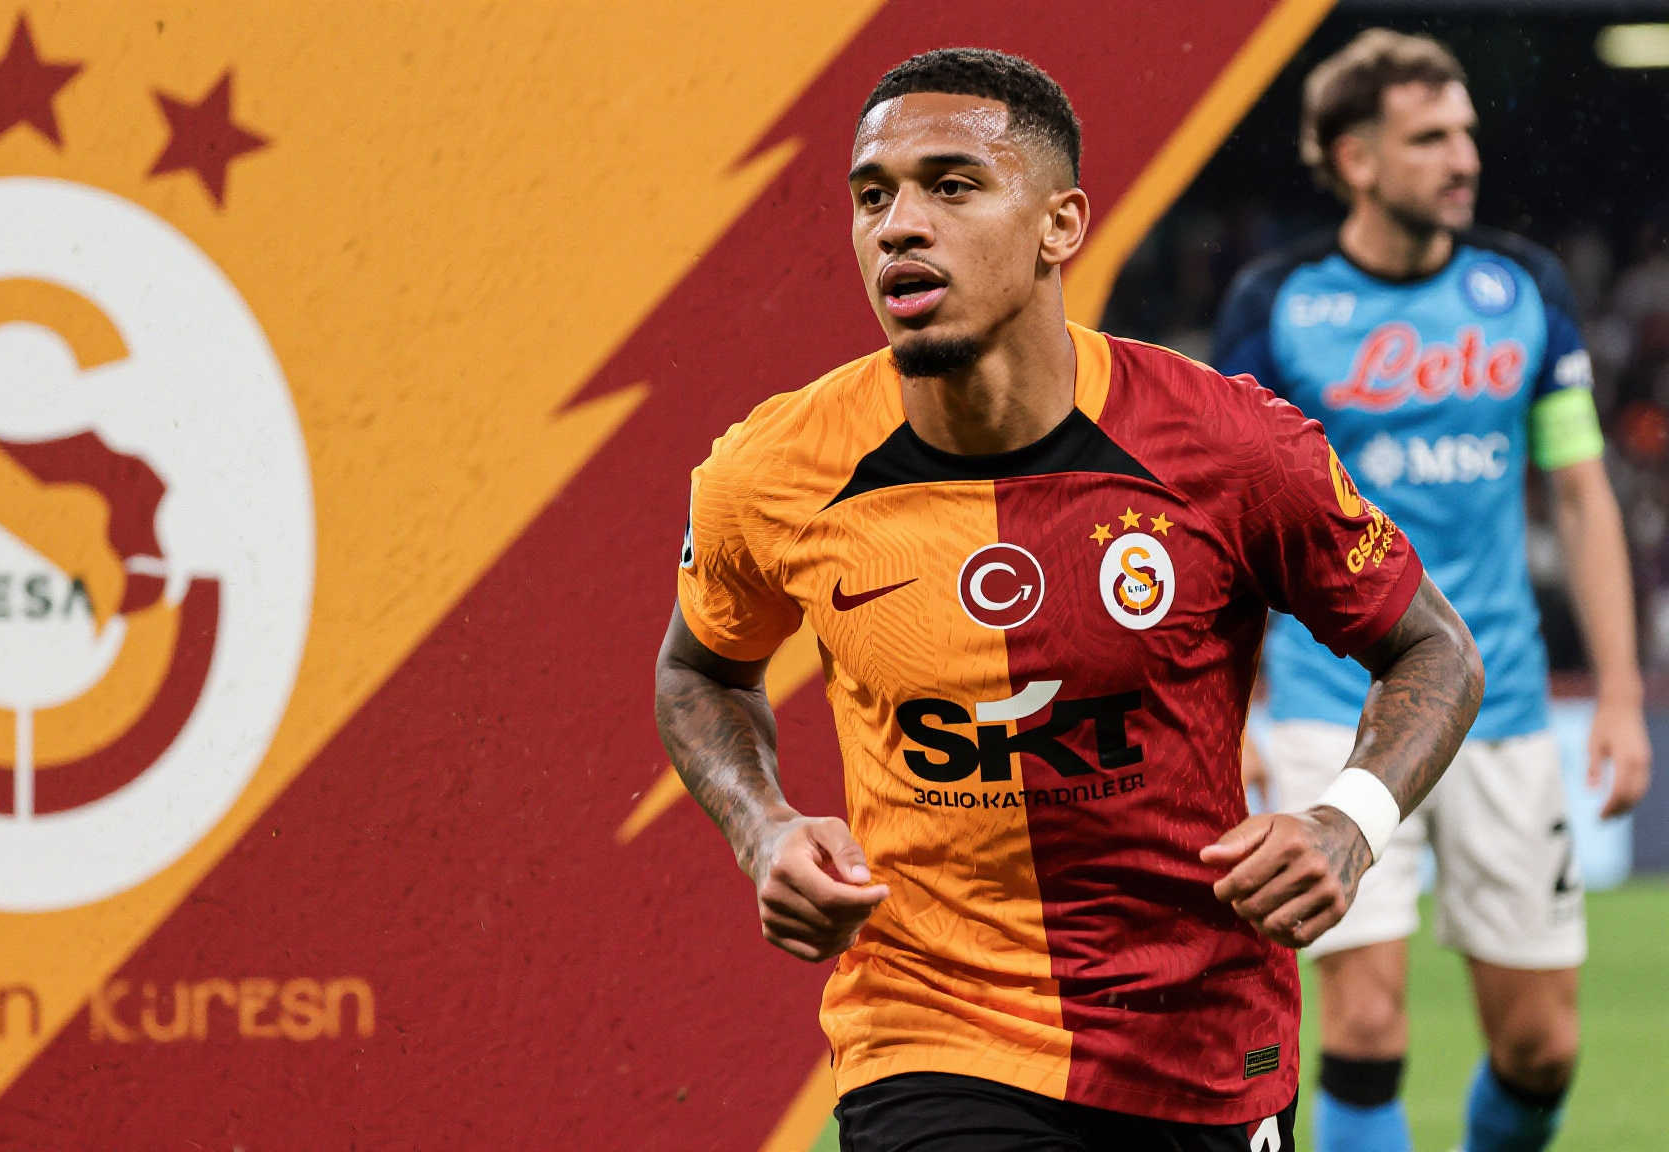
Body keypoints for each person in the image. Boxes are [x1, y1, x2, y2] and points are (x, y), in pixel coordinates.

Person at [653, 47, 1484, 1152]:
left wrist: (1350, 822)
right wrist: (761, 829)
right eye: (872, 196)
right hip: (928, 1030)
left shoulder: (1228, 446)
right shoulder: (771, 472)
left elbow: (1433, 649)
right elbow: (699, 670)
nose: (898, 226)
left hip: (1199, 1040)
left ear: (1060, 225)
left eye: (952, 186)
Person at [1213, 29, 1653, 1152]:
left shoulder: (1524, 290)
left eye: (1464, 132)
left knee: (1540, 1050)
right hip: (1331, 701)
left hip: (1500, 704)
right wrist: (1236, 709)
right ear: (1354, 159)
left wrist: (1617, 695)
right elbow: (1228, 520)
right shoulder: (1276, 302)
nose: (1463, 158)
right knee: (1362, 1024)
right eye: (1429, 138)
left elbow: (1580, 493)